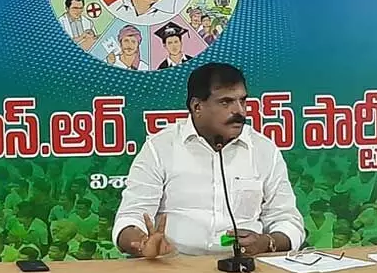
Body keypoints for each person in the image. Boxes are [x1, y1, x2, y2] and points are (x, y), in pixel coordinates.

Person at [113, 63, 304, 257]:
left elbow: (289, 222)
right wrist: (143, 244)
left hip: (245, 269)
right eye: (225, 102)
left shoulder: (263, 150)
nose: (239, 111)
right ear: (197, 106)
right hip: (173, 269)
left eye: (243, 101)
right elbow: (129, 219)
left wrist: (266, 242)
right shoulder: (160, 148)